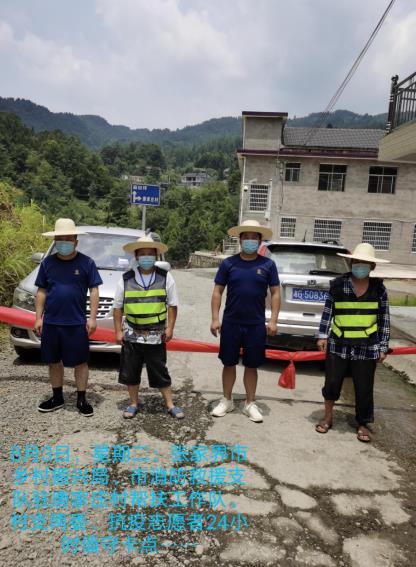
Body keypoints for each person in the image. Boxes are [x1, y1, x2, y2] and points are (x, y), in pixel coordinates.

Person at [316, 242, 390, 442]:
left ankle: (363, 423)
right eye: (356, 262)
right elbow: (328, 312)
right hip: (338, 344)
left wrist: (383, 347)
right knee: (332, 383)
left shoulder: (379, 289)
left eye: (364, 263)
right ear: (351, 263)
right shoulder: (337, 286)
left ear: (372, 266)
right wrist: (322, 335)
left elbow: (384, 320)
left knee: (364, 387)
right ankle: (328, 417)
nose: (360, 266)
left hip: (367, 346)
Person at [210, 219, 281, 422]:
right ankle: (227, 400)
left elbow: (275, 293)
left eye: (254, 237)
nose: (250, 240)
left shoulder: (268, 265)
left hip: (256, 325)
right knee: (228, 363)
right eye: (246, 237)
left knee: (252, 365)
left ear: (259, 240)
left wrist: (273, 320)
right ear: (240, 240)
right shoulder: (228, 264)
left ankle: (250, 403)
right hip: (231, 323)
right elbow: (217, 291)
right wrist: (215, 319)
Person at [35, 218, 102, 416]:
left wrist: (92, 318)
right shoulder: (47, 263)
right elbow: (41, 291)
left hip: (76, 323)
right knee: (54, 361)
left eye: (68, 239)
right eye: (60, 239)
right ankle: (57, 397)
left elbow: (94, 290)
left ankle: (82, 400)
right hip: (51, 323)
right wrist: (38, 317)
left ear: (76, 241)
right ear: (55, 241)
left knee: (80, 362)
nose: (64, 242)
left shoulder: (87, 263)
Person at [113, 235, 184, 419]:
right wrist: (118, 331)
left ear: (156, 255)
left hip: (156, 334)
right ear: (136, 256)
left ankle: (170, 404)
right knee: (131, 371)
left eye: (150, 253)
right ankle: (133, 403)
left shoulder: (165, 277)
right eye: (142, 253)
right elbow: (117, 307)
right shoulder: (126, 278)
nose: (146, 257)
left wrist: (170, 328)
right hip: (131, 334)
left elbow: (173, 305)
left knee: (160, 370)